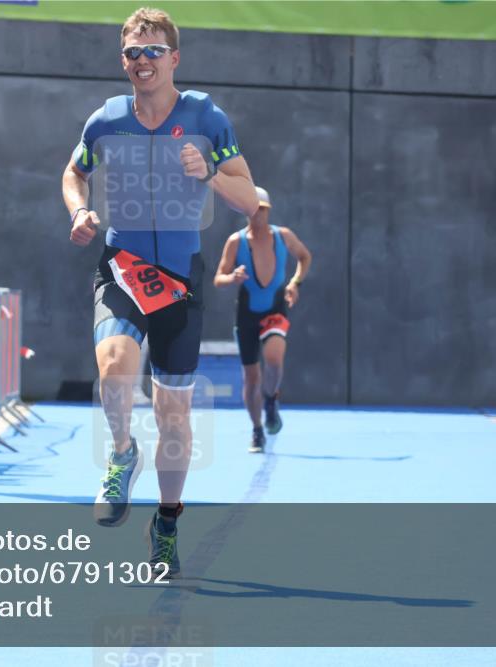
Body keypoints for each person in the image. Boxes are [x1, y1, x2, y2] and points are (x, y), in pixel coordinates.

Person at [62, 7, 259, 577]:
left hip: (179, 279)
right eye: (132, 52)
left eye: (153, 52)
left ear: (174, 59)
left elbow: (250, 198)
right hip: (122, 266)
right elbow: (73, 172)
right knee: (115, 365)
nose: (142, 61)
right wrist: (79, 209)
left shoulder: (205, 116)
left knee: (174, 414)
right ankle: (122, 452)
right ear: (122, 61)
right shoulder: (107, 119)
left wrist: (209, 176)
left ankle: (167, 521)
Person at [214, 186, 312, 453]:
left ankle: (270, 400)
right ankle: (257, 429)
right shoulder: (236, 241)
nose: (257, 215)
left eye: (262, 210)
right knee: (251, 376)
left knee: (274, 358)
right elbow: (218, 278)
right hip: (247, 314)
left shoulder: (283, 236)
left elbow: (304, 257)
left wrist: (295, 282)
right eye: (252, 210)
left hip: (275, 310)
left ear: (268, 211)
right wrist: (232, 277)